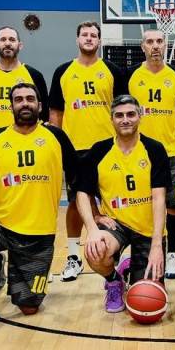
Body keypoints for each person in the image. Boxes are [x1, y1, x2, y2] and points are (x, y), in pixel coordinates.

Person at [0, 83, 77, 333]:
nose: (24, 103)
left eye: (30, 98)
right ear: (11, 106)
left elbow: (79, 181)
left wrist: (96, 217)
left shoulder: (56, 136)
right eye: (18, 99)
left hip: (38, 233)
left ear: (39, 105)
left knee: (29, 307)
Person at [76, 95, 170, 313]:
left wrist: (157, 245)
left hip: (147, 229)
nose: (125, 119)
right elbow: (82, 193)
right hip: (116, 224)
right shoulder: (99, 151)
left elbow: (159, 198)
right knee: (95, 250)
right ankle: (114, 281)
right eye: (119, 115)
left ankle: (132, 266)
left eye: (130, 114)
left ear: (140, 116)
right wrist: (93, 226)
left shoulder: (154, 149)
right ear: (111, 119)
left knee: (149, 300)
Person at [49, 21, 126, 282]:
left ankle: (117, 250)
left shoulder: (112, 70)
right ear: (77, 39)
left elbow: (123, 109)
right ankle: (73, 255)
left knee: (113, 201)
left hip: (108, 147)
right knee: (75, 202)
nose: (89, 38)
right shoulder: (63, 71)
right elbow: (56, 112)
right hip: (75, 148)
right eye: (85, 34)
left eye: (94, 35)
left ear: (100, 41)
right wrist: (58, 144)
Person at [127, 29, 175, 279]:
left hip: (170, 154)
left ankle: (172, 255)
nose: (155, 46)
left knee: (174, 206)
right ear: (142, 46)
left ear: (165, 45)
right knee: (140, 206)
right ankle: (136, 255)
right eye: (150, 41)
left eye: (160, 41)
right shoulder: (131, 76)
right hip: (137, 153)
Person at [0, 26, 48, 131]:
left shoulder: (35, 75)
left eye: (12, 40)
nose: (7, 43)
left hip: (25, 137)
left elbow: (43, 114)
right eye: (3, 39)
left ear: (20, 45)